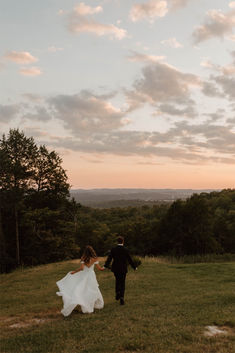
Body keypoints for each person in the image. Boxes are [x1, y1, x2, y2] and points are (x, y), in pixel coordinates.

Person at [56, 245, 104, 316]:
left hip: (84, 275)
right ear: (92, 251)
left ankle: (84, 304)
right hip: (91, 276)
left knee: (83, 290)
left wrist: (74, 272)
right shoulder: (95, 259)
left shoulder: (83, 258)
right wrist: (104, 267)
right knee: (92, 289)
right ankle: (90, 304)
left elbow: (81, 268)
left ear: (85, 252)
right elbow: (100, 269)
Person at [104, 236, 137, 305]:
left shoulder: (113, 249)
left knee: (117, 281)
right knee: (122, 282)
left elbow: (109, 258)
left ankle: (117, 292)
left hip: (116, 268)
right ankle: (122, 297)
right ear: (123, 241)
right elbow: (129, 259)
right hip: (123, 268)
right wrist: (134, 267)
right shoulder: (125, 249)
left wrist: (105, 266)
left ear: (117, 241)